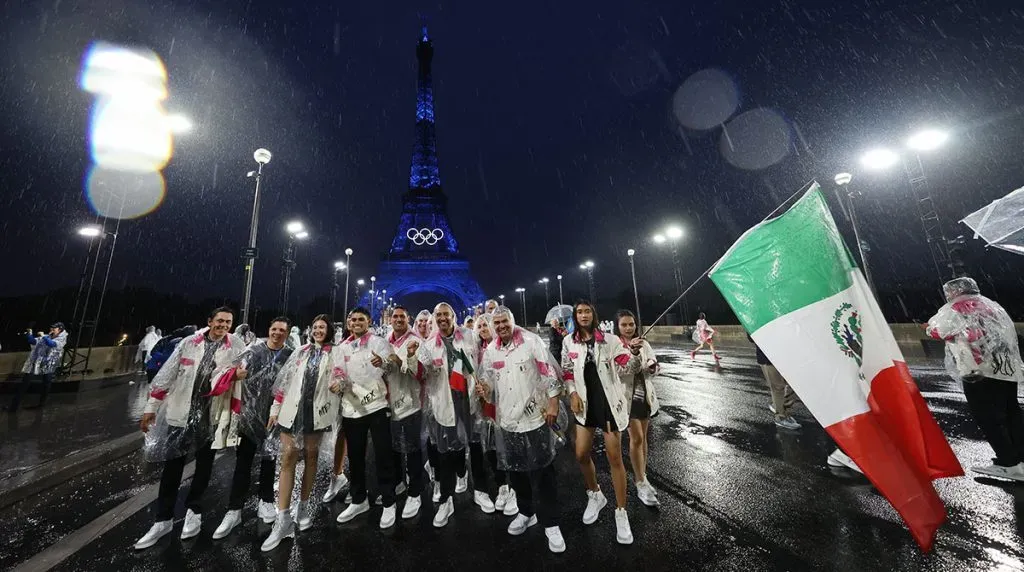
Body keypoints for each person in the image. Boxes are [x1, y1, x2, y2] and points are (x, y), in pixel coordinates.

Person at [134, 307, 245, 550]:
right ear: (210, 321)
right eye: (220, 321)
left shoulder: (235, 345)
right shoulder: (189, 343)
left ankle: (194, 510)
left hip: (211, 415)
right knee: (172, 467)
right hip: (180, 414)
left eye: (228, 322)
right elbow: (167, 375)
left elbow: (242, 373)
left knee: (204, 466)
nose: (224, 325)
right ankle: (163, 519)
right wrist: (151, 408)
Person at [478, 306, 566, 553]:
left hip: (534, 418)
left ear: (512, 321)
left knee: (543, 471)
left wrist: (553, 403)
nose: (501, 326)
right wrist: (484, 388)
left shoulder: (530, 341)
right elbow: (488, 379)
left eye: (504, 321)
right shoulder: (491, 350)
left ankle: (551, 522)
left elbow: (548, 372)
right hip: (508, 420)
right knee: (516, 470)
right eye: (497, 323)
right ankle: (526, 511)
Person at [927, 276, 1024, 480]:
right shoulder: (993, 306)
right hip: (1006, 369)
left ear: (955, 291)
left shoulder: (956, 308)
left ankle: (1009, 463)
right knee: (1011, 413)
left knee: (989, 417)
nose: (948, 295)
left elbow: (937, 330)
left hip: (978, 372)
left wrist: (931, 328)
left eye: (949, 292)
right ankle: (1020, 458)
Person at [562, 301, 640, 545]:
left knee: (614, 458)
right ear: (575, 316)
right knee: (581, 454)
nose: (584, 315)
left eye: (587, 311)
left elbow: (628, 366)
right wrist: (572, 393)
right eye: (579, 312)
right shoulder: (568, 341)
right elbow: (567, 370)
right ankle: (595, 493)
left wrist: (634, 353)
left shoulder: (610, 340)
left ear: (593, 315)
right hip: (584, 406)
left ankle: (621, 511)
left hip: (607, 405)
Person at [262, 315, 342, 551]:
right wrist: (275, 409)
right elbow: (284, 383)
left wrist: (340, 384)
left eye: (322, 327)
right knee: (288, 458)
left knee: (311, 458)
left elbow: (342, 377)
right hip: (293, 411)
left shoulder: (336, 353)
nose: (318, 330)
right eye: (315, 327)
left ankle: (303, 506)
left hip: (317, 413)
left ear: (329, 330)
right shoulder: (300, 352)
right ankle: (283, 518)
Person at [213, 317, 295, 540]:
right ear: (269, 330)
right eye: (274, 329)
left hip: (274, 415)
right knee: (243, 462)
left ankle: (266, 501)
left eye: (282, 330)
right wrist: (235, 376)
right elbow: (229, 370)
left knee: (269, 460)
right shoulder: (254, 351)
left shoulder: (290, 355)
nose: (277, 333)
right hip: (249, 415)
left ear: (287, 334)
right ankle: (234, 509)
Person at [413, 302, 480, 528]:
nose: (442, 318)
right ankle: (446, 499)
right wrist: (413, 359)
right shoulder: (428, 345)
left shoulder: (470, 336)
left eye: (446, 314)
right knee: (445, 451)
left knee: (470, 444)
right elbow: (420, 374)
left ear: (454, 317)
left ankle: (475, 485)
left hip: (467, 399)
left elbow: (480, 362)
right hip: (442, 401)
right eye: (438, 315)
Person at [335, 307, 400, 528]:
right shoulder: (342, 348)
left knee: (383, 454)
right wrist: (337, 383)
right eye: (353, 319)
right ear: (348, 323)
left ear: (369, 321)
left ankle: (389, 501)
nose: (356, 322)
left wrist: (384, 364)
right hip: (351, 408)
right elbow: (337, 372)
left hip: (376, 406)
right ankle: (358, 499)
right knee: (355, 457)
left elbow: (392, 365)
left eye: (361, 319)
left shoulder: (378, 342)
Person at [614, 310, 663, 507]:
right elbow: (620, 371)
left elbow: (653, 364)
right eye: (624, 325)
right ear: (617, 326)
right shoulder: (616, 346)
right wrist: (632, 353)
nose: (628, 328)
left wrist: (652, 367)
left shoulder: (644, 343)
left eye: (631, 324)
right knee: (637, 439)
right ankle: (639, 482)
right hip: (627, 398)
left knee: (643, 439)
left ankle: (643, 475)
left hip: (645, 395)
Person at [383, 306, 427, 519]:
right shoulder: (384, 341)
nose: (399, 319)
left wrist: (403, 361)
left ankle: (415, 491)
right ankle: (399, 482)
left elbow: (422, 373)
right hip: (388, 404)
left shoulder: (416, 341)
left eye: (402, 316)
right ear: (390, 319)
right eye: (395, 316)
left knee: (413, 449)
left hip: (411, 403)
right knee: (393, 448)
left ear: (408, 319)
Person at [473, 314, 517, 515]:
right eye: (480, 326)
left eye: (486, 325)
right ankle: (502, 485)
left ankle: (515, 487)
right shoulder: (477, 349)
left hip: (508, 402)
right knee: (491, 445)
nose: (483, 329)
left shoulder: (503, 347)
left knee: (509, 445)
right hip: (487, 404)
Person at [745, 333, 800, 431]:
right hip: (768, 357)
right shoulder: (753, 322)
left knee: (794, 384)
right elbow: (751, 337)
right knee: (777, 388)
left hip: (785, 354)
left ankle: (781, 408)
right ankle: (780, 417)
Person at [8, 322, 68, 412]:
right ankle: (14, 407)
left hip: (49, 364)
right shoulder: (47, 336)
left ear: (60, 330)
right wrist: (29, 334)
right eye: (51, 328)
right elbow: (33, 341)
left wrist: (43, 336)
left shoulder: (62, 339)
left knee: (46, 384)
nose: (51, 330)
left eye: (54, 328)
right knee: (25, 382)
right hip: (37, 362)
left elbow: (51, 344)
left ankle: (41, 404)